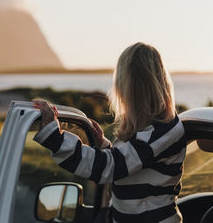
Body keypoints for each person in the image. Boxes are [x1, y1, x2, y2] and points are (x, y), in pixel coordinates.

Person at [33, 42, 186, 223]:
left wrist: (55, 139)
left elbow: (111, 167)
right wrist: (106, 146)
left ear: (132, 87)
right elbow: (132, 166)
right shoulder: (148, 127)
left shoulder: (163, 130)